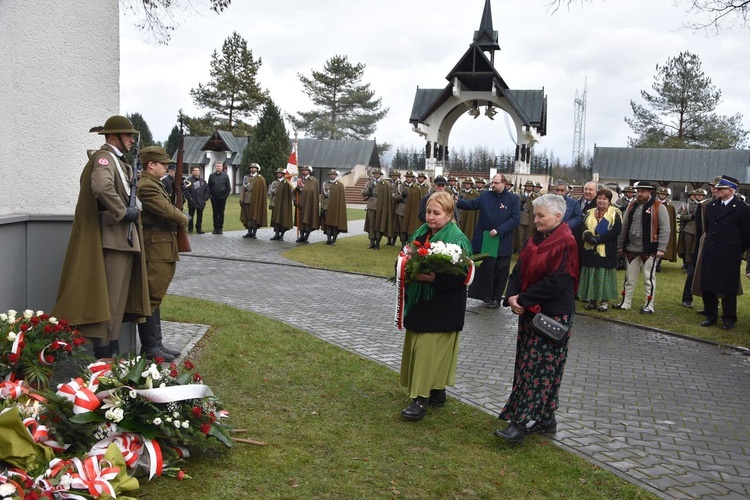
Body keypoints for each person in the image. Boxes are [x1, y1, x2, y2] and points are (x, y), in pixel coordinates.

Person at [53, 115, 149, 359]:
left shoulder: (119, 161)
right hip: (114, 238)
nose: (131, 140)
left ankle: (111, 353)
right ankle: (103, 356)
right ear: (113, 136)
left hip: (123, 240)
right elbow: (101, 186)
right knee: (107, 302)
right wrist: (121, 211)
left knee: (117, 303)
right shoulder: (104, 158)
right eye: (127, 135)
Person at [495, 193, 579, 444]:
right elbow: (518, 270)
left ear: (557, 216)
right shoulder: (535, 240)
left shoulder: (566, 242)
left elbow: (557, 281)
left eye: (541, 216)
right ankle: (545, 418)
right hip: (531, 313)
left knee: (539, 370)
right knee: (528, 367)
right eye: (535, 215)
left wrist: (523, 299)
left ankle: (519, 423)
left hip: (552, 315)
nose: (536, 220)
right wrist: (511, 295)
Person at [398, 191, 473, 421]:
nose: (431, 217)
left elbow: (462, 275)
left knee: (431, 351)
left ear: (449, 215)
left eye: (437, 213)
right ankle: (437, 391)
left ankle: (421, 399)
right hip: (422, 304)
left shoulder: (457, 239)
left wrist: (434, 279)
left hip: (442, 307)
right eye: (429, 212)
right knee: (422, 348)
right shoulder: (421, 233)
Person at [135, 146, 190, 362]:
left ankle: (156, 344)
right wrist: (184, 218)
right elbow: (164, 209)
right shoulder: (147, 186)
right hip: (155, 246)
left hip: (162, 245)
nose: (166, 167)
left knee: (156, 296)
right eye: (163, 164)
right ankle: (150, 347)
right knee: (151, 296)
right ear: (151, 164)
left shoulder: (155, 183)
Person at [457, 173, 520, 309]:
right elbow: (472, 205)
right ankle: (485, 296)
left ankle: (496, 298)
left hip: (502, 241)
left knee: (500, 270)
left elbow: (515, 219)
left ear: (504, 183)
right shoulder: (485, 195)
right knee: (487, 269)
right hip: (485, 239)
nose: (493, 185)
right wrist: (457, 201)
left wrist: (499, 230)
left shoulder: (512, 199)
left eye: (496, 183)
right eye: (492, 183)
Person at [698, 175, 750, 330]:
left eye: (721, 189)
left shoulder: (742, 208)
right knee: (708, 284)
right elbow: (707, 228)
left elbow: (746, 234)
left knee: (728, 286)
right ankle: (710, 315)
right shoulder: (712, 206)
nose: (716, 190)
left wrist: (735, 249)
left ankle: (729, 318)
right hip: (711, 249)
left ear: (731, 190)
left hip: (730, 252)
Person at [614, 181, 670, 314]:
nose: (640, 193)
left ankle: (649, 305)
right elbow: (624, 226)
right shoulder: (631, 206)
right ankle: (626, 302)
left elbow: (665, 228)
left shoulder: (658, 207)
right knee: (629, 278)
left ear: (649, 192)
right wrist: (620, 245)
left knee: (648, 279)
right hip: (631, 248)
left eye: (643, 191)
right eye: (638, 191)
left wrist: (661, 247)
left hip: (650, 248)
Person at [578, 188, 623, 312]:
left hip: (606, 250)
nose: (601, 201)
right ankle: (592, 300)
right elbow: (583, 227)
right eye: (599, 198)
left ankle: (604, 301)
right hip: (590, 249)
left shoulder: (615, 213)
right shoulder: (589, 212)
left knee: (603, 276)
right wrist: (588, 236)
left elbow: (616, 230)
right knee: (592, 274)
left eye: (604, 199)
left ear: (609, 201)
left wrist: (600, 239)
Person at [362, 168, 392, 249]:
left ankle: (378, 242)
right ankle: (372, 241)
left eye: (378, 173)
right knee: (371, 224)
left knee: (378, 224)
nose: (376, 175)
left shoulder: (384, 183)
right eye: (375, 173)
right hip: (371, 205)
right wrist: (369, 191)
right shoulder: (369, 183)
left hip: (380, 206)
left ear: (380, 175)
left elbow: (387, 195)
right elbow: (363, 193)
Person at [676, 188, 704, 272]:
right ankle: (688, 266)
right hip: (689, 229)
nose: (699, 196)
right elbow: (682, 216)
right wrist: (691, 217)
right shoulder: (688, 206)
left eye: (701, 195)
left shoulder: (706, 205)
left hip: (702, 229)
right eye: (697, 195)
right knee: (688, 249)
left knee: (699, 248)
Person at [239, 162, 267, 239]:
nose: (252, 169)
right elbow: (243, 189)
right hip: (247, 200)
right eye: (251, 168)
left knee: (254, 216)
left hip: (256, 201)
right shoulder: (246, 177)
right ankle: (249, 232)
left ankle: (254, 233)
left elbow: (262, 192)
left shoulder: (260, 179)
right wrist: (241, 199)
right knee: (248, 216)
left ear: (257, 169)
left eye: (254, 168)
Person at [294, 164, 320, 243]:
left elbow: (313, 192)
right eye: (302, 170)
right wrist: (295, 199)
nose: (304, 171)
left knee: (308, 219)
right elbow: (293, 191)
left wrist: (303, 189)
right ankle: (301, 236)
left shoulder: (313, 181)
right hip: (300, 203)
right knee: (300, 219)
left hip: (309, 204)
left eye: (306, 170)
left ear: (309, 171)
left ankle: (306, 236)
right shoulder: (298, 180)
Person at [321, 169, 348, 245]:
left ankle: (334, 240)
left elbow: (341, 198)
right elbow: (323, 196)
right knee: (328, 224)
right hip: (326, 206)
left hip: (335, 207)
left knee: (334, 224)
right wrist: (322, 207)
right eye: (331, 175)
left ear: (336, 176)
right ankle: (328, 239)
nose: (332, 176)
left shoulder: (339, 185)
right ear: (329, 175)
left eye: (334, 175)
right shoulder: (325, 184)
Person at [654, 187, 677, 272]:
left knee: (662, 246)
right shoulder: (653, 204)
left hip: (663, 229)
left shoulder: (670, 207)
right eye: (661, 194)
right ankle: (654, 264)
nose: (662, 195)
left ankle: (658, 264)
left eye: (664, 194)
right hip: (654, 229)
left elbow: (671, 220)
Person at [269, 167, 293, 241]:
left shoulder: (287, 183)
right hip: (276, 203)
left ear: (283, 174)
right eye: (278, 173)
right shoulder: (274, 182)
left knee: (283, 218)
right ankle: (276, 234)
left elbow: (291, 192)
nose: (279, 174)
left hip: (284, 203)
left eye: (280, 173)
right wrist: (271, 203)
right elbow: (272, 194)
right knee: (276, 218)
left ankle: (282, 235)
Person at [184, 166, 210, 234]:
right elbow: (186, 191)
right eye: (195, 170)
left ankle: (199, 228)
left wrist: (205, 198)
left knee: (200, 215)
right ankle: (190, 228)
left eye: (197, 170)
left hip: (200, 202)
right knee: (191, 215)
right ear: (192, 171)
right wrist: (190, 198)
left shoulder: (203, 181)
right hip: (192, 201)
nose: (196, 171)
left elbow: (207, 190)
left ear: (199, 171)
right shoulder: (188, 181)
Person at [208, 161, 230, 234]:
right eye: (217, 166)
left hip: (222, 197)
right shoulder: (211, 176)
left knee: (221, 213)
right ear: (215, 167)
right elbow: (209, 187)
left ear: (222, 167)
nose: (218, 167)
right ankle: (215, 228)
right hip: (214, 197)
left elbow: (228, 187)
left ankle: (220, 228)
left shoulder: (225, 176)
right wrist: (210, 196)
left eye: (220, 166)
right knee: (215, 213)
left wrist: (225, 196)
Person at [517, 180, 538, 250]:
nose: (529, 188)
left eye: (530, 186)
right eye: (528, 186)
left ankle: (527, 251)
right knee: (521, 236)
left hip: (530, 218)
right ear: (525, 187)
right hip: (521, 217)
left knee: (529, 236)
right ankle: (521, 250)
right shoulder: (520, 195)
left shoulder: (535, 196)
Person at [402, 171, 423, 238]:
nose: (408, 178)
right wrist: (401, 196)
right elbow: (394, 197)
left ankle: (409, 243)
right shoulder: (401, 186)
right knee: (402, 227)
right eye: (407, 177)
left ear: (412, 178)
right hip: (401, 209)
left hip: (412, 210)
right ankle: (402, 243)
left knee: (410, 226)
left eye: (410, 177)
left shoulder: (416, 188)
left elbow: (418, 200)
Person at [387, 170, 404, 246]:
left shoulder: (400, 184)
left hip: (397, 205)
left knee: (395, 223)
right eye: (393, 175)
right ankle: (389, 240)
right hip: (389, 204)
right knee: (389, 222)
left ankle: (394, 240)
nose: (394, 176)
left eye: (395, 175)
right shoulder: (388, 183)